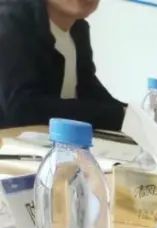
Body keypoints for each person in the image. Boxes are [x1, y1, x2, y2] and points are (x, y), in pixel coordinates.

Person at [0, 0, 125, 130]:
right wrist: (114, 115)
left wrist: (127, 115)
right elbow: (21, 109)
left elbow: (87, 87)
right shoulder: (9, 21)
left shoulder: (78, 28)